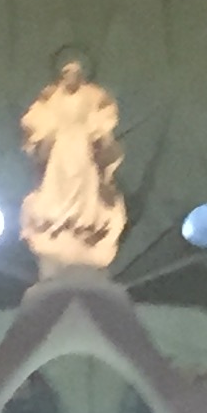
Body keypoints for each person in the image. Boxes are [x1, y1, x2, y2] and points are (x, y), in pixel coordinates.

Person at [18, 59, 127, 267]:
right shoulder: (52, 96)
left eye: (75, 73)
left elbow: (104, 116)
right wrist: (41, 133)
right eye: (67, 73)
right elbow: (37, 119)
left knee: (84, 181)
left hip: (81, 145)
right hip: (61, 147)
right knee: (58, 180)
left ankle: (82, 220)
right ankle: (60, 221)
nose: (71, 77)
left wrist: (95, 131)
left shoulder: (92, 95)